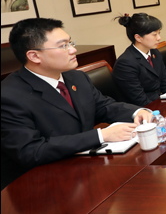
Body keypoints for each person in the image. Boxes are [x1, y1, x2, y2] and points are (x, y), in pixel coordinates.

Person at [1, 18, 152, 189]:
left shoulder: (76, 77)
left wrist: (137, 112)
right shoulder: (9, 96)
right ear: (34, 56)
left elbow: (102, 106)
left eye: (70, 43)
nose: (73, 50)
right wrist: (101, 135)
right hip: (41, 184)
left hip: (86, 169)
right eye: (63, 46)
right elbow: (31, 151)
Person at [112, 13, 166, 106]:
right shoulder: (125, 63)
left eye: (159, 33)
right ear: (138, 38)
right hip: (141, 109)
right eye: (154, 34)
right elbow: (139, 100)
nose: (159, 38)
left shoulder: (155, 52)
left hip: (158, 102)